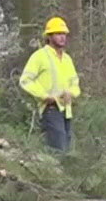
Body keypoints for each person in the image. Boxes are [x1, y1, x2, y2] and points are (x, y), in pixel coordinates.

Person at [19, 16, 82, 152]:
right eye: (58, 34)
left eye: (64, 34)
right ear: (49, 36)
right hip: (50, 108)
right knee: (58, 150)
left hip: (66, 110)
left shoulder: (67, 59)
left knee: (67, 149)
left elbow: (75, 83)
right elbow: (25, 80)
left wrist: (71, 93)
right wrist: (44, 96)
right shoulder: (39, 56)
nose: (62, 37)